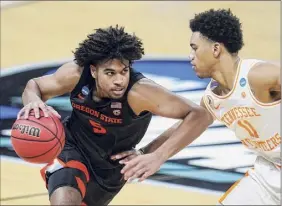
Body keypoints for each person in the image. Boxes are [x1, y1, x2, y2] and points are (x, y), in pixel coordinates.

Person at [17, 25, 212, 205]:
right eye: (110, 73)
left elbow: (200, 116)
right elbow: (34, 86)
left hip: (110, 169)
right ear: (94, 71)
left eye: (124, 71)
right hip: (71, 146)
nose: (119, 80)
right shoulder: (76, 75)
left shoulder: (141, 93)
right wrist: (34, 101)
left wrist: (154, 154)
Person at [113, 9, 281, 205]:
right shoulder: (213, 98)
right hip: (268, 172)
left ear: (216, 49)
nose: (191, 56)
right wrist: (147, 154)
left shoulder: (259, 76)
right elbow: (189, 125)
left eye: (195, 48)